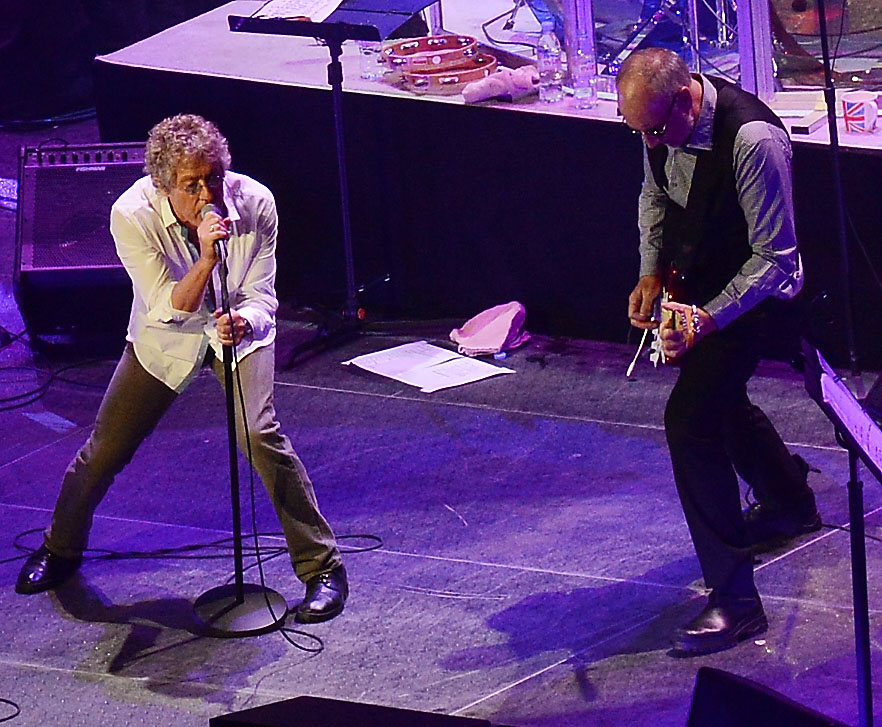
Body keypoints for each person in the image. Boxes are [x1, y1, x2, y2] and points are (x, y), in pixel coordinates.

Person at [15, 114, 348, 624]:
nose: (206, 192)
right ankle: (59, 549)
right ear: (162, 184)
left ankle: (322, 567)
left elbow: (263, 293)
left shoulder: (256, 203)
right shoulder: (131, 213)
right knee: (105, 448)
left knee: (260, 436)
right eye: (191, 185)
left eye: (213, 177)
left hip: (236, 331)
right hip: (165, 336)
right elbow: (168, 306)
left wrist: (247, 320)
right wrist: (208, 257)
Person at [617, 48, 820, 655]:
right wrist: (651, 272)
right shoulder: (654, 123)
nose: (650, 140)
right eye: (639, 132)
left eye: (655, 129)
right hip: (706, 281)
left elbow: (776, 260)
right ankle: (788, 500)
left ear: (684, 99)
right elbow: (655, 195)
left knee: (691, 419)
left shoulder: (753, 139)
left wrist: (705, 318)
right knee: (720, 401)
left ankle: (736, 600)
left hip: (761, 295)